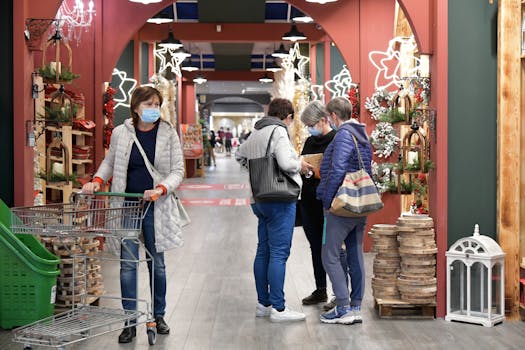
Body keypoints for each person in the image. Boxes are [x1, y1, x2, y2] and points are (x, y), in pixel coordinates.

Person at [81, 86, 185, 342]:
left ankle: (158, 315)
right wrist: (97, 180)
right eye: (149, 104)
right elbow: (111, 162)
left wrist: (161, 189)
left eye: (157, 105)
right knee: (128, 265)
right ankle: (129, 322)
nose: (154, 109)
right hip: (126, 205)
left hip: (155, 207)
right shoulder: (121, 133)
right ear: (136, 107)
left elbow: (178, 170)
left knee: (156, 264)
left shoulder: (168, 133)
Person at [235, 98, 310, 322]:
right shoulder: (278, 131)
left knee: (263, 251)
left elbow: (239, 154)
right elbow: (287, 163)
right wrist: (302, 165)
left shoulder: (256, 132)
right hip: (279, 198)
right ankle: (279, 308)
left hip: (259, 198)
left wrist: (258, 169)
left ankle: (263, 303)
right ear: (286, 117)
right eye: (290, 120)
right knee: (279, 253)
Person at [317, 97, 372, 325]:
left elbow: (337, 168)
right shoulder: (362, 134)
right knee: (354, 251)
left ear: (334, 116)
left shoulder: (342, 135)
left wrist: (328, 201)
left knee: (329, 254)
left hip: (342, 204)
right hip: (361, 201)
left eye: (330, 116)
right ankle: (356, 304)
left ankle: (342, 307)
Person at [298, 101, 336, 306]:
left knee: (332, 248)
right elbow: (304, 165)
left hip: (329, 203)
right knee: (315, 247)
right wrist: (303, 169)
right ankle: (321, 289)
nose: (309, 129)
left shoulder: (336, 139)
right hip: (309, 201)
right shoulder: (309, 141)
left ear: (323, 120)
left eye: (311, 124)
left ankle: (339, 293)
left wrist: (313, 171)